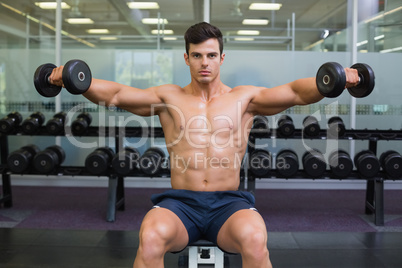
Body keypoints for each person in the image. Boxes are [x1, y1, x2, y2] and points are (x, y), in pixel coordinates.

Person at [49, 22, 359, 268]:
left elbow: (295, 93)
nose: (204, 63)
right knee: (151, 236)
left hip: (228, 204)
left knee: (255, 239)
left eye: (211, 55)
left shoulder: (244, 98)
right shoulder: (168, 98)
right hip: (181, 204)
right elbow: (116, 94)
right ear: (187, 58)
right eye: (196, 55)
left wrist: (332, 80)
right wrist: (79, 81)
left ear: (222, 58)